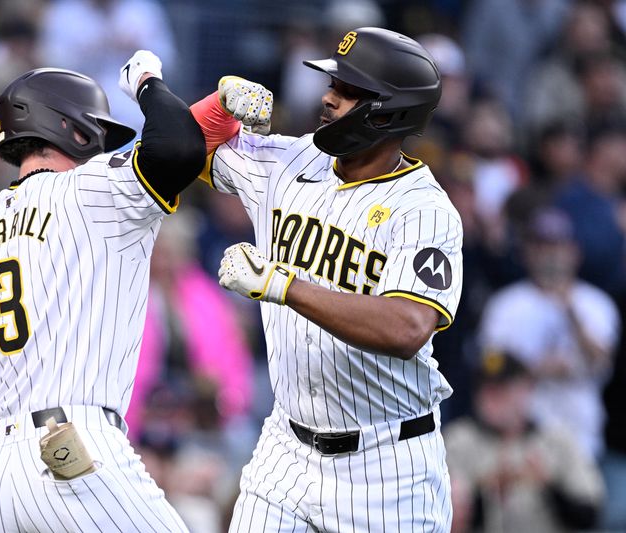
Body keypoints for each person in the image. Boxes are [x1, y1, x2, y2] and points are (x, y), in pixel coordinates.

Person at [0, 51, 205, 532]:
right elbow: (178, 148)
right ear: (72, 129)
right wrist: (148, 81)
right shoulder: (90, 190)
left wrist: (7, 396)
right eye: (97, 132)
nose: (101, 146)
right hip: (73, 448)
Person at [191, 27, 463, 532]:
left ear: (389, 110)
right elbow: (180, 147)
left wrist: (282, 285)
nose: (329, 97)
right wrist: (220, 102)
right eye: (333, 84)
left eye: (349, 90)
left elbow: (407, 327)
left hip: (387, 467)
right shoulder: (289, 160)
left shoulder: (424, 211)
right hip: (286, 450)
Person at [479, 207, 619, 460]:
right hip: (520, 439)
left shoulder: (596, 303)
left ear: (574, 252)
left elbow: (603, 363)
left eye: (558, 246)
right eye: (542, 246)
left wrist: (570, 311)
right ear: (527, 253)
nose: (551, 255)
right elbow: (489, 370)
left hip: (583, 437)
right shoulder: (504, 305)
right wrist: (534, 369)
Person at [444, 350, 603, 532]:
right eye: (486, 388)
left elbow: (589, 516)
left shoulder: (557, 441)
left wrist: (548, 487)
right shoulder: (457, 440)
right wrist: (488, 491)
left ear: (527, 389)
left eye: (502, 389)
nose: (491, 398)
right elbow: (441, 515)